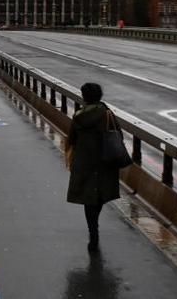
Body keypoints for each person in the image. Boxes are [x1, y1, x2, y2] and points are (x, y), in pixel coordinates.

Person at [65, 83, 120, 252]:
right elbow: (119, 135)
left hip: (84, 163)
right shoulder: (107, 114)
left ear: (84, 97)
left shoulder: (79, 116)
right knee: (100, 195)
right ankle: (95, 221)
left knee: (88, 199)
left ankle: (93, 232)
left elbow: (71, 139)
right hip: (105, 162)